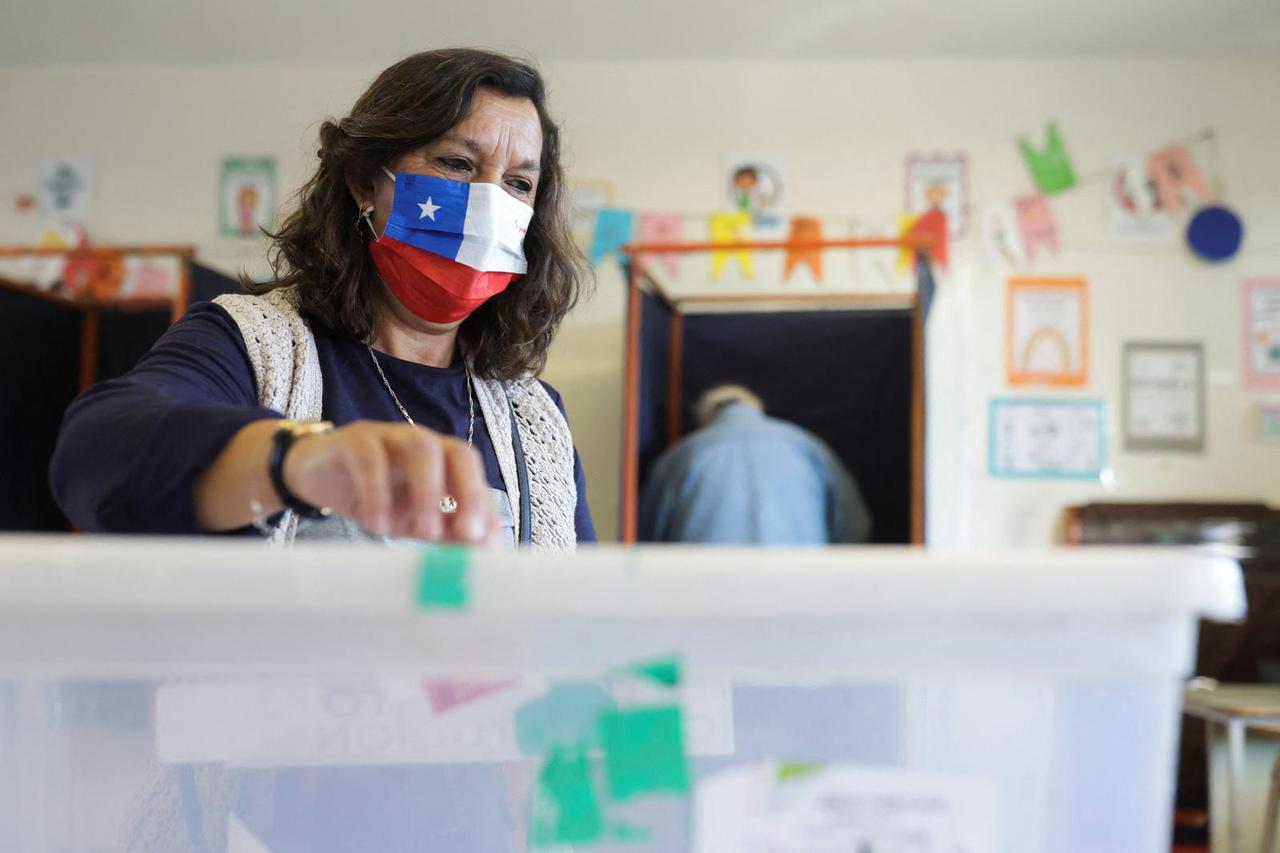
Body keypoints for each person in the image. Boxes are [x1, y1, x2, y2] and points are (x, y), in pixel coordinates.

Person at [50, 49, 594, 551]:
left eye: (519, 184)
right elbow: (96, 454)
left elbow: (578, 619)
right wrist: (298, 461)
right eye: (456, 164)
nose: (490, 203)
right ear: (364, 181)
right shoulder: (250, 345)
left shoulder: (534, 415)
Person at [639, 384, 871, 545]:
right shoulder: (806, 446)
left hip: (707, 591)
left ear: (705, 416)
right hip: (797, 585)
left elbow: (645, 535)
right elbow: (853, 525)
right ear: (757, 407)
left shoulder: (682, 455)